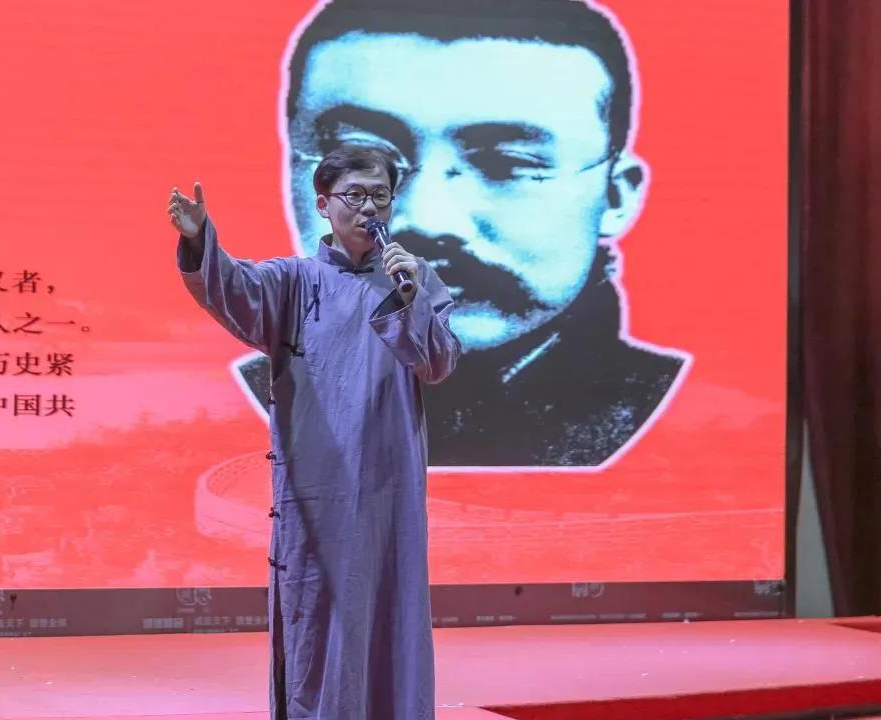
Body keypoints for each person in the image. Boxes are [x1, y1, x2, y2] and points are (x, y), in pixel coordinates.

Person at [233, 0, 692, 467]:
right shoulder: (241, 399)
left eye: (508, 163)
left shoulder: (688, 416)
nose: (430, 218)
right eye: (360, 160)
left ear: (614, 196)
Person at [171, 147, 460, 718]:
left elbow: (438, 363)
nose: (369, 207)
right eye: (355, 195)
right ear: (324, 204)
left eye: (380, 195)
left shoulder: (415, 277)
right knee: (319, 617)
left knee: (393, 611)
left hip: (391, 485)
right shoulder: (295, 281)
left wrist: (409, 298)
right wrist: (200, 240)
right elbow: (233, 290)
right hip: (317, 487)